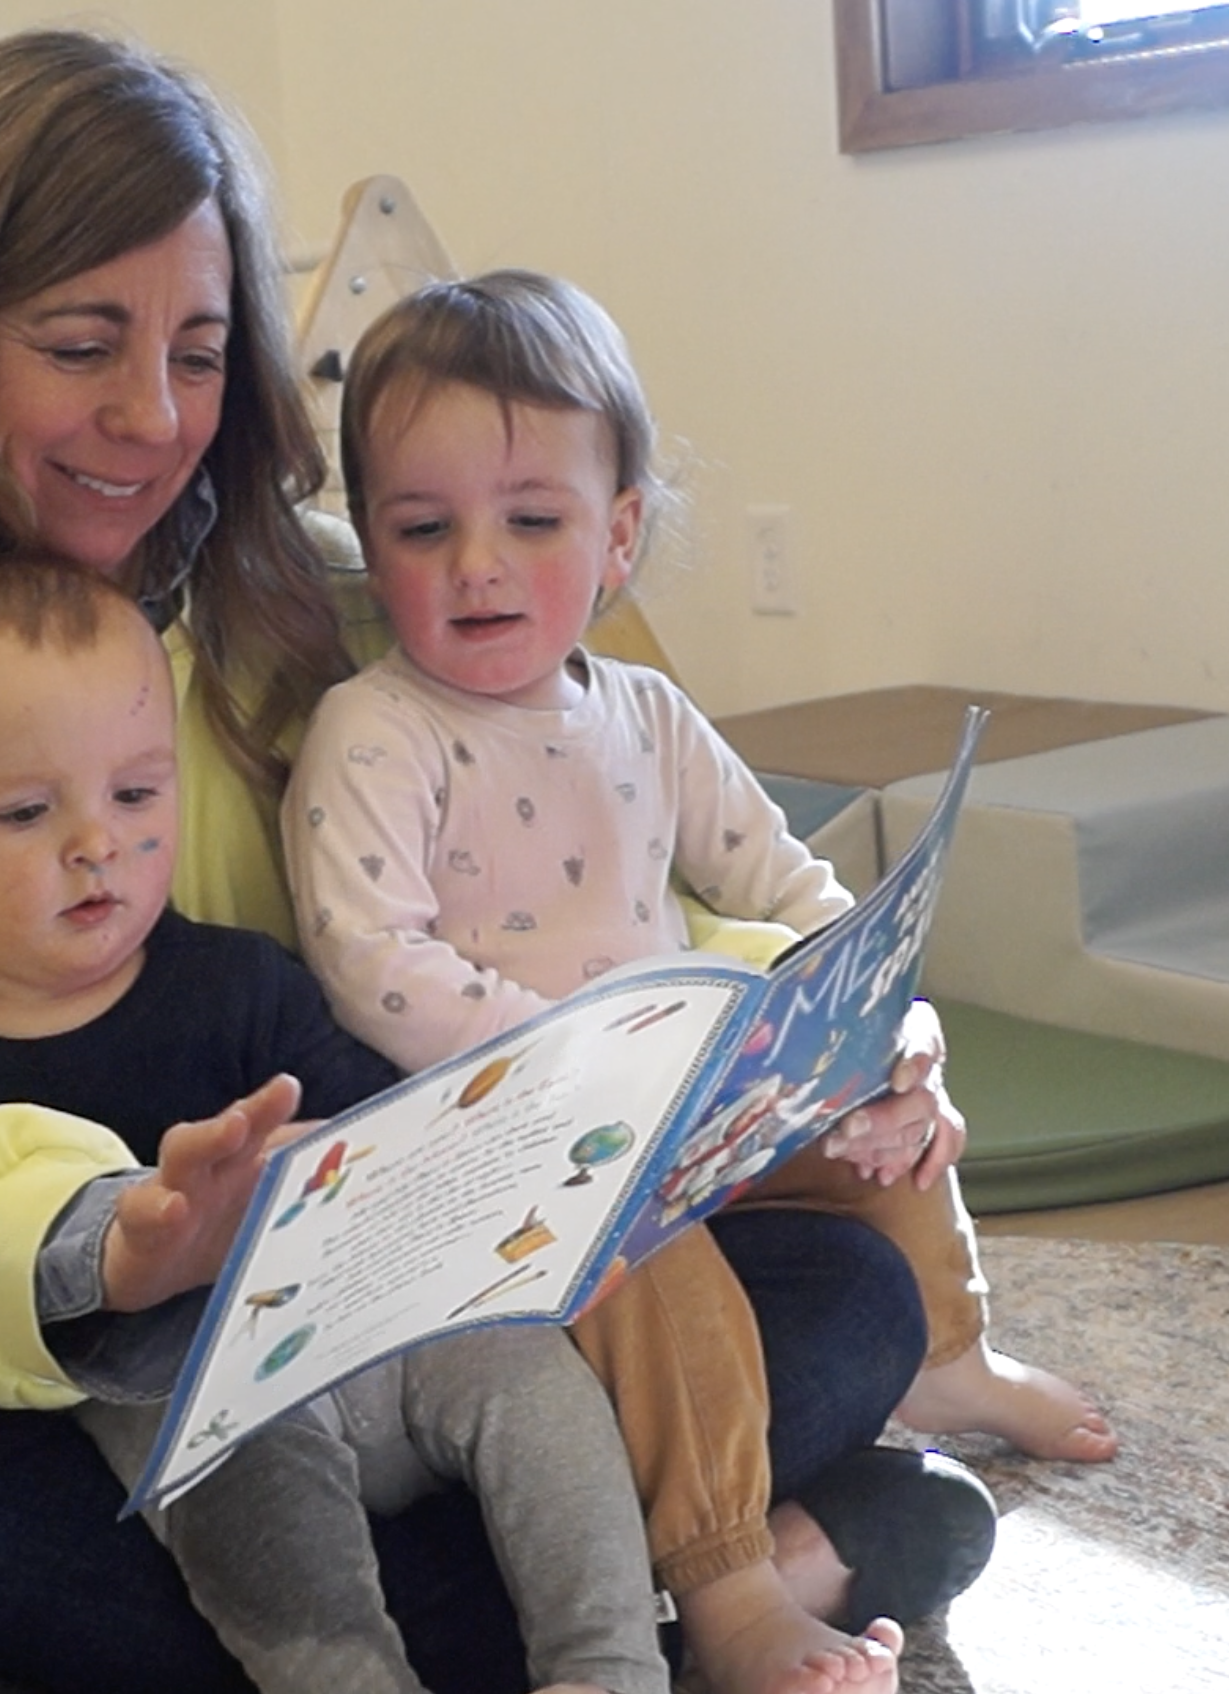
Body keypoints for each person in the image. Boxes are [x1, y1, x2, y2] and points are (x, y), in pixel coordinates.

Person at [0, 28, 966, 1694]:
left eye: (199, 352)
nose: (150, 417)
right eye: (79, 345)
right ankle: (764, 1553)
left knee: (849, 1286)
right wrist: (73, 1244)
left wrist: (837, 1049)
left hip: (443, 1319)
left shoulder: (348, 592)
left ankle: (598, 1580)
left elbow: (614, 854)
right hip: (122, 1367)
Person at [281, 269, 1106, 1694]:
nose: (476, 562)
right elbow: (372, 962)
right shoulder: (372, 728)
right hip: (529, 1158)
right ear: (372, 540)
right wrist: (582, 1063)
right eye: (424, 528)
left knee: (879, 1116)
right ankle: (723, 1577)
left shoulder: (645, 715)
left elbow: (792, 889)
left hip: (685, 1112)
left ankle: (951, 1354)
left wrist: (875, 1029)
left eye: (530, 520)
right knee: (637, 1240)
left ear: (615, 537)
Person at [0, 552, 671, 1694]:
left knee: (526, 1359)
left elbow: (398, 1133)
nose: (95, 843)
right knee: (216, 1464)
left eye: (135, 794)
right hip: (193, 1410)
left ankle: (608, 1664)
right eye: (27, 811)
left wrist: (338, 1158)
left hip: (372, 1344)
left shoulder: (238, 981)